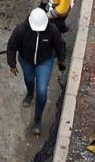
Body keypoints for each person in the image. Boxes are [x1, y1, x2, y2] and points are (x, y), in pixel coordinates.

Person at [6, 8, 66, 136]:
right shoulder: (21, 30)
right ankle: (29, 93)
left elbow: (59, 46)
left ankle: (37, 119)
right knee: (28, 79)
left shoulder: (52, 30)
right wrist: (12, 64)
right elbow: (11, 45)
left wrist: (61, 59)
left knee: (42, 91)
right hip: (26, 60)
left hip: (44, 61)